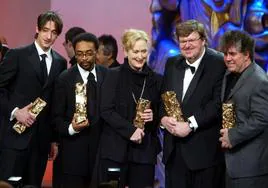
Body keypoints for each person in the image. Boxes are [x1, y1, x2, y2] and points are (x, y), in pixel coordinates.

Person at [0, 11, 67, 187]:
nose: (49, 36)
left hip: (41, 142)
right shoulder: (17, 55)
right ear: (37, 28)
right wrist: (15, 112)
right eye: (45, 30)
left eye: (54, 32)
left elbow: (55, 103)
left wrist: (53, 139)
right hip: (14, 138)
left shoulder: (61, 62)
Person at [160, 19, 226, 188]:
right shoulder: (172, 63)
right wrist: (163, 120)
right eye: (183, 41)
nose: (187, 45)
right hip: (174, 154)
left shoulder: (218, 62)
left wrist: (190, 125)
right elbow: (163, 97)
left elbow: (217, 104)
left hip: (204, 155)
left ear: (203, 40)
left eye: (191, 40)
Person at [99, 29, 162, 188]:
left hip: (144, 152)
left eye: (143, 51)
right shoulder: (113, 75)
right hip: (115, 149)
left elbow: (161, 112)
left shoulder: (156, 80)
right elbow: (106, 110)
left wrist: (153, 116)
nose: (140, 56)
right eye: (135, 51)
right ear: (126, 51)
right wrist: (130, 130)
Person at [51, 32, 107, 188]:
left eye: (89, 54)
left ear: (96, 51)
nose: (84, 58)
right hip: (73, 156)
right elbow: (55, 118)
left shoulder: (107, 75)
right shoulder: (64, 79)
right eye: (79, 54)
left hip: (101, 155)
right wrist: (71, 128)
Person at [219, 30, 268, 188]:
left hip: (250, 169)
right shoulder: (230, 74)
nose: (227, 58)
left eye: (232, 54)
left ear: (247, 55)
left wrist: (232, 136)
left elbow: (262, 119)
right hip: (230, 164)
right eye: (225, 53)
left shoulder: (259, 80)